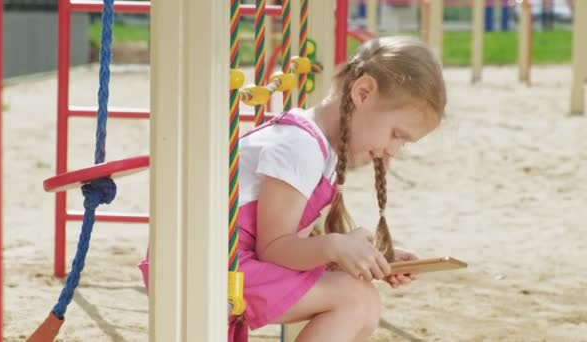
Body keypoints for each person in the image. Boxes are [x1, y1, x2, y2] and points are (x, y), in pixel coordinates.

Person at [141, 36, 447, 341]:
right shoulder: (299, 146)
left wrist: (368, 257)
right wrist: (336, 247)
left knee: (362, 300)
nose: (394, 150)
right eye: (397, 134)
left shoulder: (319, 148)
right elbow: (274, 249)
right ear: (362, 93)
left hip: (220, 260)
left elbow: (287, 247)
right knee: (354, 299)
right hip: (196, 263)